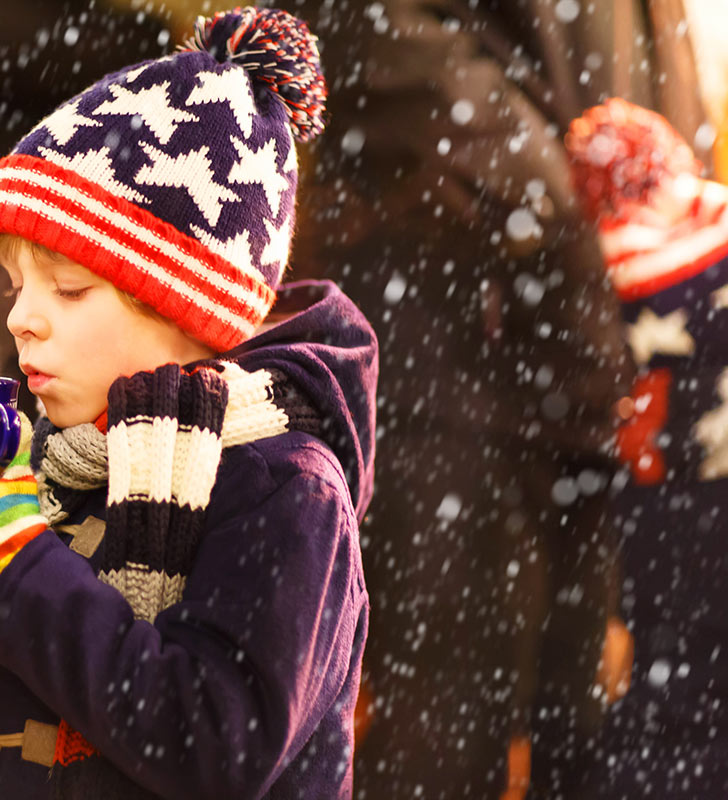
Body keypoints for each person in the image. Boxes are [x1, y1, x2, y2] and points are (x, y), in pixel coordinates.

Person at [0, 8, 378, 798]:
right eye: (17, 284)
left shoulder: (284, 488)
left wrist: (11, 568)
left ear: (187, 306)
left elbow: (213, 747)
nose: (21, 316)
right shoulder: (61, 452)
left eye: (68, 288)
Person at [267, 1, 710, 796]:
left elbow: (656, 78)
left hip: (601, 373)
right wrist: (566, 214)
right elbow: (378, 39)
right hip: (450, 354)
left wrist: (673, 250)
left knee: (584, 728)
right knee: (444, 727)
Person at [566, 98, 728, 799]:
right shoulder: (717, 229)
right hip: (693, 511)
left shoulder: (603, 280)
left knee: (671, 693)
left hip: (656, 520)